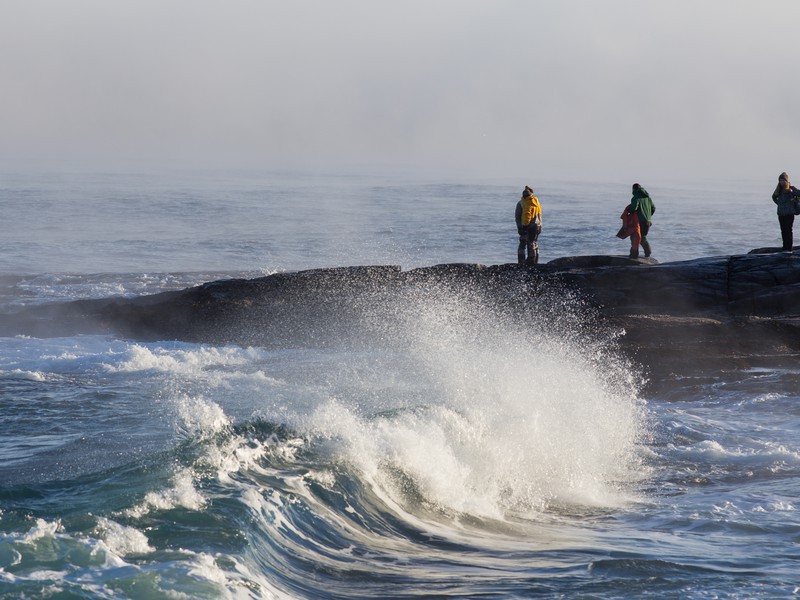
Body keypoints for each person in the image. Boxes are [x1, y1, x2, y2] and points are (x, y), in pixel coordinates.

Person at [771, 172, 800, 252]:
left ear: (787, 181)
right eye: (780, 180)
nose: (782, 182)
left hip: (789, 214)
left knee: (788, 231)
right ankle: (785, 248)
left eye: (783, 180)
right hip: (781, 214)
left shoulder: (791, 189)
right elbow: (773, 197)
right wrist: (779, 204)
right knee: (783, 231)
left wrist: (795, 199)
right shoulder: (778, 190)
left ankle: (789, 248)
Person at [515, 185, 542, 265]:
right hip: (537, 225)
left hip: (527, 226)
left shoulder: (523, 203)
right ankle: (535, 261)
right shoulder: (536, 202)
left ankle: (523, 261)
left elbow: (523, 215)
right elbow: (539, 214)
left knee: (524, 243)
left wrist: (521, 227)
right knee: (534, 243)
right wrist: (540, 226)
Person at [628, 183, 656, 258]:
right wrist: (648, 216)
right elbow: (653, 208)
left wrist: (629, 211)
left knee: (634, 237)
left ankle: (634, 254)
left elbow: (634, 208)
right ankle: (648, 253)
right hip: (648, 222)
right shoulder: (648, 198)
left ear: (633, 189)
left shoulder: (636, 197)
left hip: (639, 221)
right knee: (643, 237)